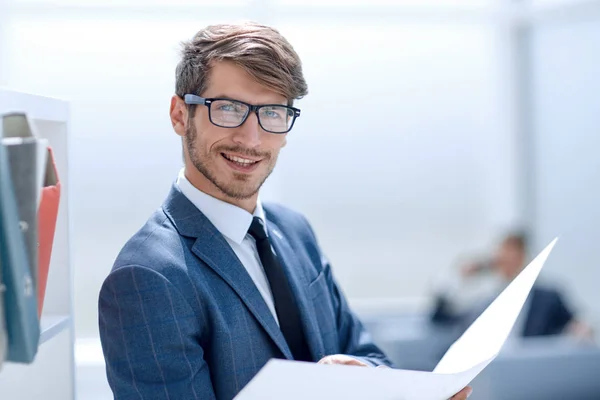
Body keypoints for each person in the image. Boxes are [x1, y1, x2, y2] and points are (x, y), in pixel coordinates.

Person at [98, 22, 473, 400]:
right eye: (228, 109)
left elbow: (365, 353)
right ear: (180, 115)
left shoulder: (294, 231)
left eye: (273, 112)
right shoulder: (147, 276)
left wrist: (375, 382)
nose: (251, 139)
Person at [431, 232, 594, 340]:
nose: (508, 264)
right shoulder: (484, 300)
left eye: (514, 257)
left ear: (525, 258)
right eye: (503, 258)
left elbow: (576, 323)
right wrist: (458, 278)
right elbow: (440, 318)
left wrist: (580, 328)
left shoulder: (548, 297)